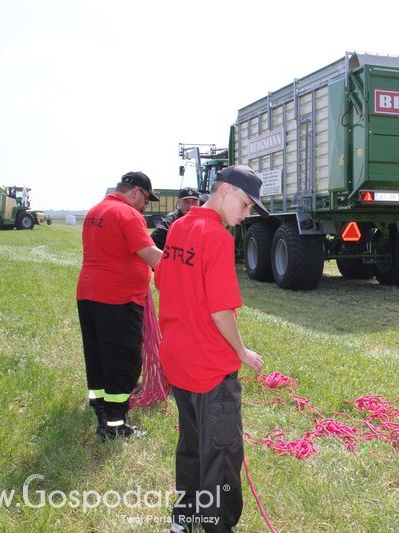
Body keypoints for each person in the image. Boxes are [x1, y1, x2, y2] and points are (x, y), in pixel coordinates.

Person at [155, 165, 268, 532]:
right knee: (221, 452)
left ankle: (185, 516)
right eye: (247, 204)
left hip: (177, 359)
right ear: (226, 191)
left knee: (192, 444)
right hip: (208, 369)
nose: (246, 214)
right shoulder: (216, 236)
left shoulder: (179, 227)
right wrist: (242, 352)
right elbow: (221, 310)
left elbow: (165, 282)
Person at [76, 171, 163, 441]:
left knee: (98, 356)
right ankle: (115, 425)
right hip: (118, 300)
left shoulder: (95, 211)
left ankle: (100, 407)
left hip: (89, 294)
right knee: (124, 361)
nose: (145, 207)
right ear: (135, 192)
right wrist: (187, 269)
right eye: (146, 200)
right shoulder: (127, 214)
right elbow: (150, 255)